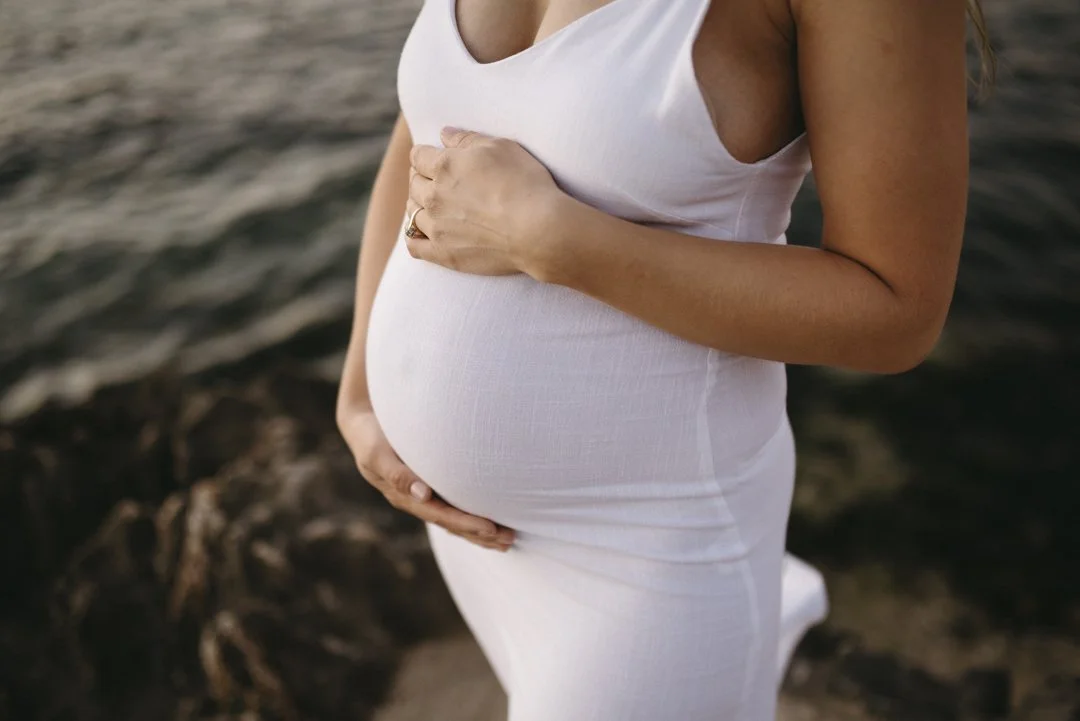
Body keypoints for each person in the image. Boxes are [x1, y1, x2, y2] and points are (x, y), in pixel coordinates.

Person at [336, 0, 991, 718]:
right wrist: (362, 386)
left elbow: (896, 311)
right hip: (472, 541)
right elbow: (425, 127)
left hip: (651, 552)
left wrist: (556, 242)